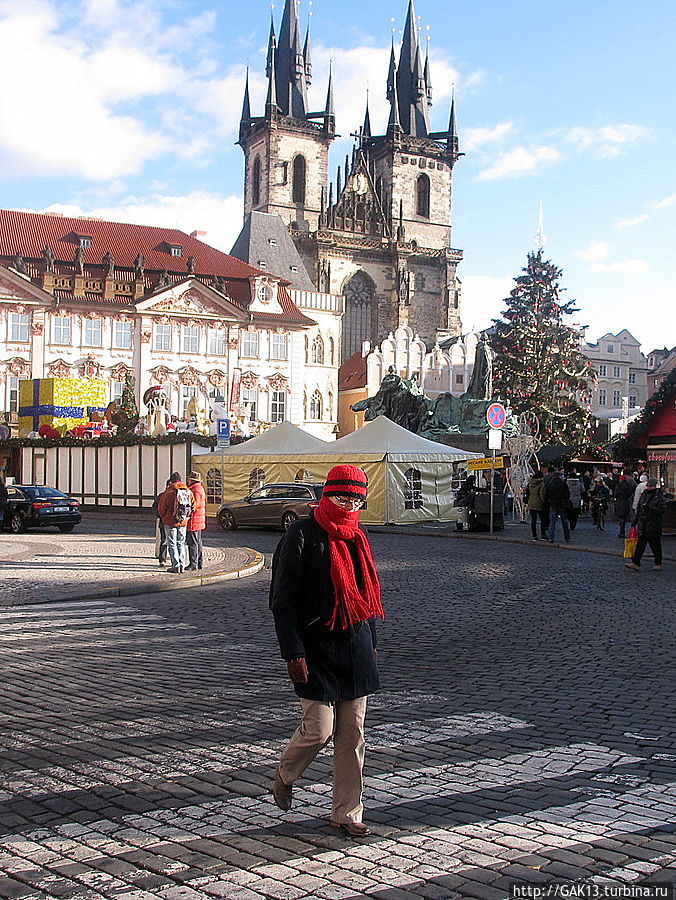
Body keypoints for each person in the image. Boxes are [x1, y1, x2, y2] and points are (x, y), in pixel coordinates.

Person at [269, 465, 384, 837]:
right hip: (314, 647)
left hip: (356, 646)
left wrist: (374, 646)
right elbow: (282, 600)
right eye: (342, 498)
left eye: (355, 500)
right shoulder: (301, 534)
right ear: (326, 495)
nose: (348, 505)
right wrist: (292, 651)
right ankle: (286, 772)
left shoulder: (358, 536)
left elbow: (365, 596)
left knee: (352, 736)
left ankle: (347, 812)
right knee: (319, 729)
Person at [625, 477, 667, 571]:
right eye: (647, 485)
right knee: (640, 544)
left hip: (654, 523)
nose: (648, 487)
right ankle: (636, 562)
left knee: (655, 545)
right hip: (643, 523)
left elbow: (661, 510)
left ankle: (658, 563)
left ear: (654, 486)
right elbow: (639, 509)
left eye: (650, 486)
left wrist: (650, 508)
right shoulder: (644, 494)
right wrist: (635, 520)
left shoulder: (659, 496)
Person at [157, 472, 195, 573]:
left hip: (170, 521)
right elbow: (193, 506)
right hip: (183, 521)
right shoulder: (188, 491)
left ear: (171, 480)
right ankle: (182, 564)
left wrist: (164, 516)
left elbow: (161, 508)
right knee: (181, 543)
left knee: (172, 543)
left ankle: (176, 565)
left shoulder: (169, 492)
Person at [186, 471, 206, 570]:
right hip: (199, 520)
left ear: (191, 480)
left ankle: (193, 564)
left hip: (194, 520)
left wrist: (187, 512)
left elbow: (195, 505)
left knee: (192, 543)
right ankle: (199, 562)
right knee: (198, 542)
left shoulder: (195, 490)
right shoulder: (200, 488)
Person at [545, 467, 571, 543]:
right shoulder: (563, 483)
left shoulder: (551, 483)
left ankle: (551, 537)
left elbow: (547, 493)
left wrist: (549, 500)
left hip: (553, 504)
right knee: (564, 521)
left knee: (552, 521)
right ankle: (567, 537)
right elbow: (567, 493)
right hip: (562, 504)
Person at [152, 479, 171, 566]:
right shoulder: (161, 496)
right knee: (164, 540)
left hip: (169, 521)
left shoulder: (174, 495)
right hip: (164, 521)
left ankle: (169, 559)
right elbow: (154, 507)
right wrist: (160, 515)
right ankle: (162, 559)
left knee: (170, 541)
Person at [525, 469, 548, 540]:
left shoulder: (530, 483)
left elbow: (527, 493)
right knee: (543, 520)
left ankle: (534, 536)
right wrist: (545, 502)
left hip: (531, 502)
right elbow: (542, 495)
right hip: (539, 503)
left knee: (533, 520)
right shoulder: (541, 484)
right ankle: (543, 535)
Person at [613, 473, 636, 539]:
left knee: (621, 518)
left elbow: (616, 494)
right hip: (626, 502)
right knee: (624, 516)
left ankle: (621, 532)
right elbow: (630, 492)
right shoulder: (628, 485)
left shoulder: (618, 486)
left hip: (619, 502)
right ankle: (622, 531)